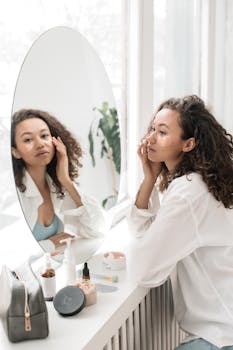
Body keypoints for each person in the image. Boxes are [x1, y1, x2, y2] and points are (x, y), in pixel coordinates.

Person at [127, 95, 233, 349]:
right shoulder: (199, 183)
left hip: (220, 334)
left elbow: (143, 271)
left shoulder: (189, 193)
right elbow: (143, 230)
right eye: (152, 128)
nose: (150, 137)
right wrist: (149, 179)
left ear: (188, 144)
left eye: (162, 132)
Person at [11, 108, 106, 253]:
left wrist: (66, 181)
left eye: (44, 136)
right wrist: (49, 245)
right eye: (28, 139)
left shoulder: (56, 186)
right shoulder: (15, 195)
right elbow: (11, 253)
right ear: (15, 151)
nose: (40, 144)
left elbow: (94, 228)